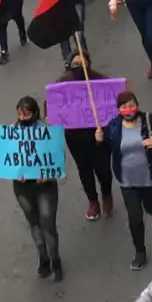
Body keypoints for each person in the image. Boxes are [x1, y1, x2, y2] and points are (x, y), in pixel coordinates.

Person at [97, 90, 152, 269]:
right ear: (118, 109)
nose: (128, 109)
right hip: (127, 181)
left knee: (151, 207)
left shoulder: (149, 121)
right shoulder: (113, 127)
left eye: (131, 105)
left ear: (137, 105)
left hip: (149, 178)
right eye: (124, 106)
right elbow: (105, 151)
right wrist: (99, 141)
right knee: (135, 217)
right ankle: (140, 252)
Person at [57, 51, 113, 221]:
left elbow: (113, 100)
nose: (79, 67)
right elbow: (52, 105)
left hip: (98, 134)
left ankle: (107, 194)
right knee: (84, 168)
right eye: (75, 64)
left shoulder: (100, 80)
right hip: (75, 136)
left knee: (103, 168)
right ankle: (93, 201)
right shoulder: (61, 84)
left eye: (82, 63)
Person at [12, 96, 63, 280]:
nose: (22, 117)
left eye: (26, 114)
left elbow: (58, 157)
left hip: (44, 186)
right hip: (23, 187)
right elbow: (8, 159)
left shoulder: (46, 131)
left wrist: (47, 173)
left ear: (34, 114)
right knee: (34, 222)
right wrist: (16, 173)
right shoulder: (12, 133)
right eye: (19, 114)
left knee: (48, 223)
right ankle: (43, 258)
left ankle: (55, 259)